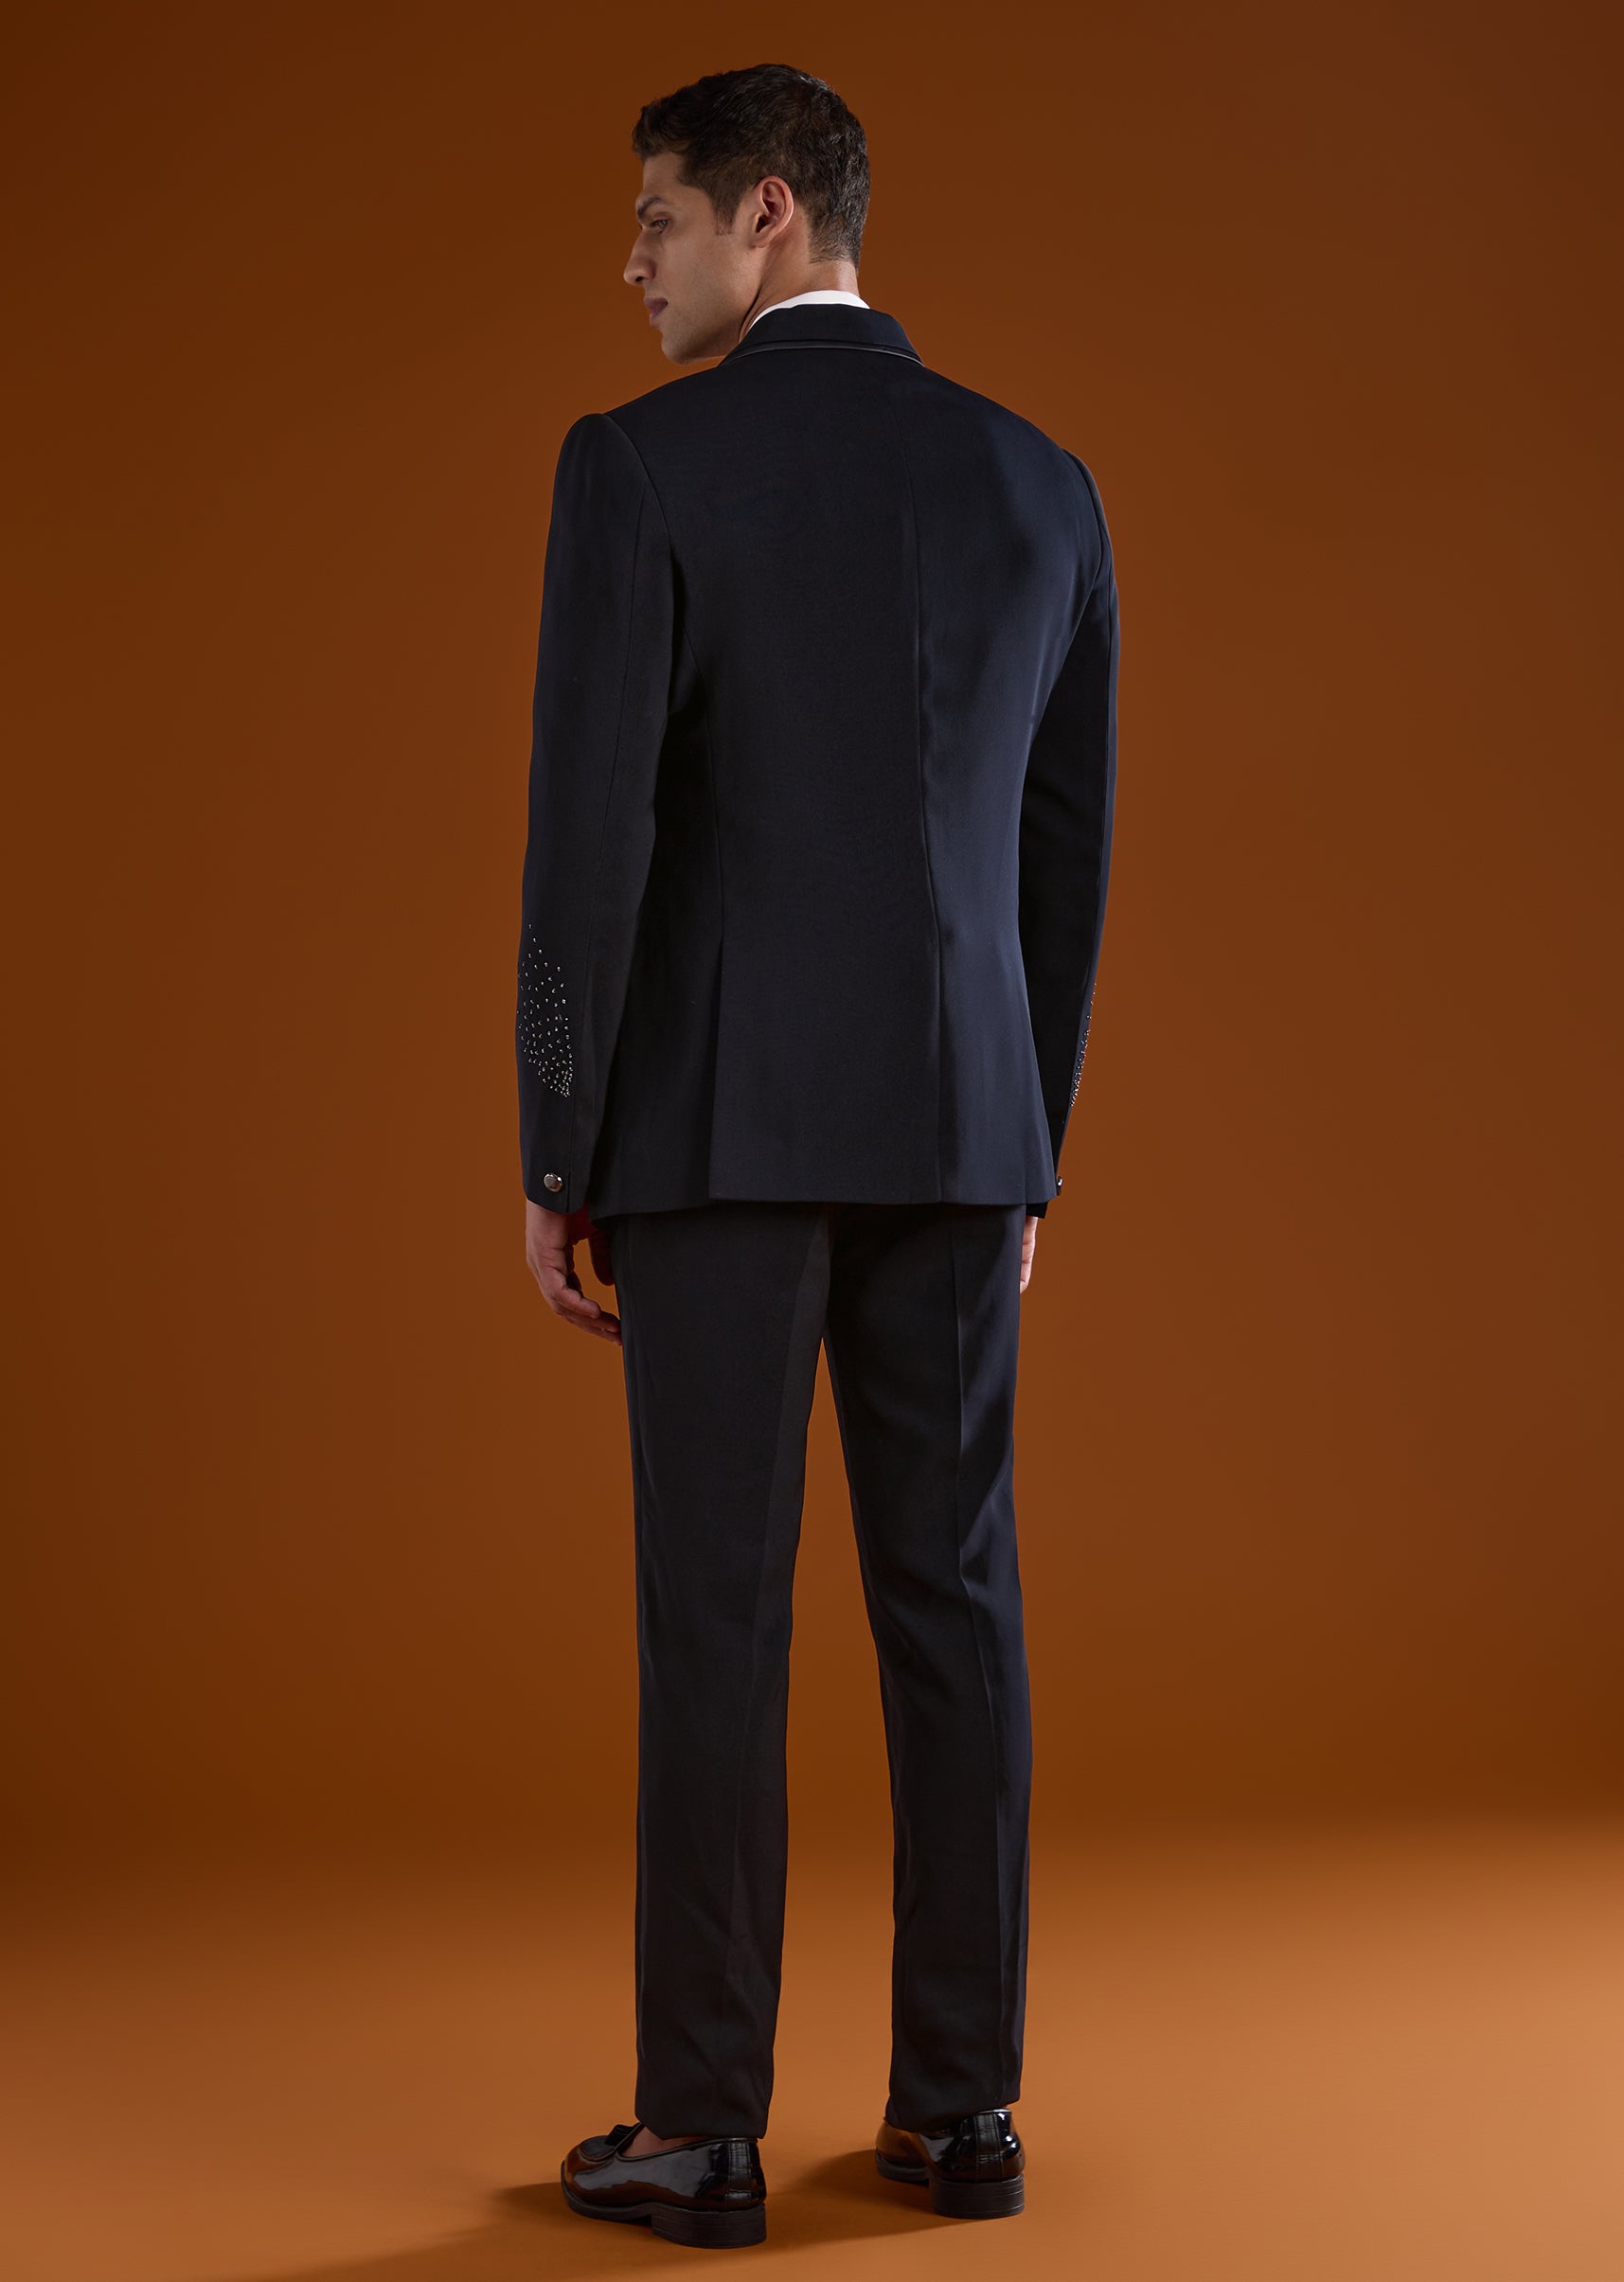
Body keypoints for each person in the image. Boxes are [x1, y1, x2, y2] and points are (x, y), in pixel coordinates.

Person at [517, 62, 1118, 2250]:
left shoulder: (643, 464)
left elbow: (592, 837)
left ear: (768, 212)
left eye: (658, 219)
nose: (634, 261)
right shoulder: (1041, 484)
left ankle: (703, 2127)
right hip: (965, 1125)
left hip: (712, 1135)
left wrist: (556, 1142)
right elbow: (1063, 855)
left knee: (718, 1614)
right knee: (957, 1602)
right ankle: (964, 2109)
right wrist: (1029, 1142)